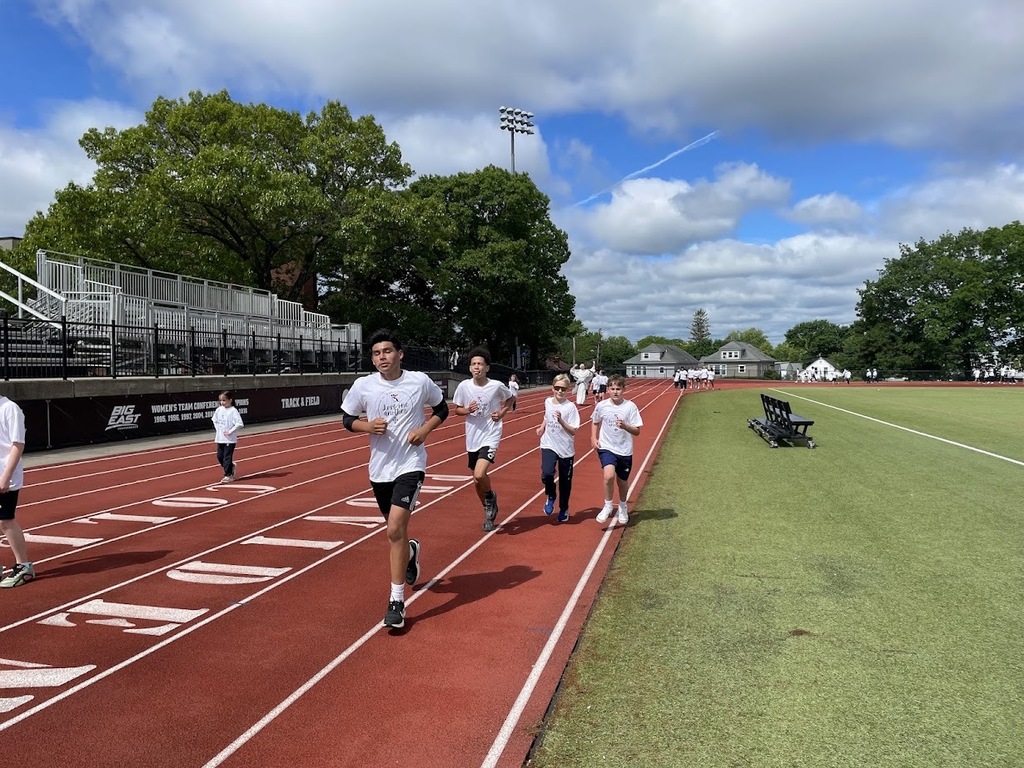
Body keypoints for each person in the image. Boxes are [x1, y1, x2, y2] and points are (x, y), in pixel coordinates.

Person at [341, 330, 449, 630]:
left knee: (393, 529)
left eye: (387, 351)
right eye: (376, 353)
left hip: (411, 464)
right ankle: (410, 552)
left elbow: (442, 409)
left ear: (400, 354)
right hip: (380, 469)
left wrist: (424, 430)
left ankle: (396, 601)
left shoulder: (419, 381)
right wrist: (367, 427)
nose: (382, 357)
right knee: (397, 534)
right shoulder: (364, 385)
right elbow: (347, 419)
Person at [453, 348, 513, 532]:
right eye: (473, 364)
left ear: (487, 367)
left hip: (491, 434)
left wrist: (501, 413)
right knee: (476, 481)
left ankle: (490, 497)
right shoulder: (464, 386)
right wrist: (467, 410)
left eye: (480, 364)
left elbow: (510, 399)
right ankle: (488, 508)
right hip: (473, 437)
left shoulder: (496, 386)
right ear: (470, 368)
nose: (476, 367)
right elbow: (457, 410)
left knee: (480, 474)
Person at [591, 376, 643, 526]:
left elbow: (637, 431)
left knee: (622, 481)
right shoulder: (602, 405)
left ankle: (623, 506)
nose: (615, 392)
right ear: (608, 390)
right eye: (612, 389)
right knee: (608, 476)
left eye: (618, 389)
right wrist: (593, 438)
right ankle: (608, 505)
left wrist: (625, 426)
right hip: (606, 447)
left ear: (623, 390)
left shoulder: (630, 407)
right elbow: (595, 421)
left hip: (624, 450)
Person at [537, 373, 579, 523]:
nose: (560, 391)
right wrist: (542, 427)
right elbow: (546, 416)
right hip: (548, 444)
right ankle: (551, 494)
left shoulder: (570, 407)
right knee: (547, 473)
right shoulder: (548, 401)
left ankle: (563, 508)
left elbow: (573, 431)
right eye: (557, 388)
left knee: (565, 482)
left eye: (563, 389)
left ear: (567, 389)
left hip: (565, 449)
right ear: (552, 388)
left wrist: (561, 421)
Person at [0, 394, 33, 588]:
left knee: (5, 521)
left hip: (5, 476)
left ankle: (24, 566)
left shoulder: (10, 409)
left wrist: (6, 476)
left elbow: (18, 445)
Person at [212, 390, 244, 483]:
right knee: (219, 456)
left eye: (224, 400)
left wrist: (230, 431)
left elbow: (240, 423)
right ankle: (231, 466)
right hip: (220, 438)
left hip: (229, 439)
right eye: (220, 400)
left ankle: (228, 475)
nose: (222, 402)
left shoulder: (233, 411)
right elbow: (214, 420)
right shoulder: (219, 410)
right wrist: (217, 429)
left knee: (227, 457)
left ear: (230, 400)